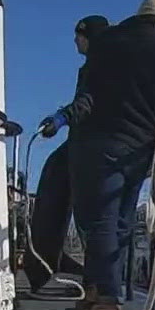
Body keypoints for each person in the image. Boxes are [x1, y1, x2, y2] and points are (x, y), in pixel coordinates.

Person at [63, 0, 155, 310]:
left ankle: (102, 294)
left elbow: (86, 88)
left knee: (102, 218)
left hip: (98, 141)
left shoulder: (107, 42)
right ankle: (108, 294)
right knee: (122, 218)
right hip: (142, 148)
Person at [27, 15, 108, 293]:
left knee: (87, 210)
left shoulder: (99, 67)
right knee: (56, 172)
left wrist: (62, 118)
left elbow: (88, 102)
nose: (75, 40)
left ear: (89, 38)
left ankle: (86, 279)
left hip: (93, 145)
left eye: (79, 36)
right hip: (90, 142)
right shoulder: (98, 66)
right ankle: (46, 260)